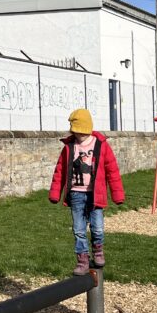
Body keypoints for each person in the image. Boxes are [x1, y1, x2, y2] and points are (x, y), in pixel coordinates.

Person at [49, 108, 125, 275]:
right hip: (76, 193)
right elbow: (60, 170)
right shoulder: (69, 147)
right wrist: (55, 192)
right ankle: (82, 259)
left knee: (97, 227)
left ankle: (98, 250)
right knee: (78, 229)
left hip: (95, 194)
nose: (79, 136)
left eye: (82, 132)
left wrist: (117, 194)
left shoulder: (101, 145)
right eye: (76, 132)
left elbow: (112, 170)